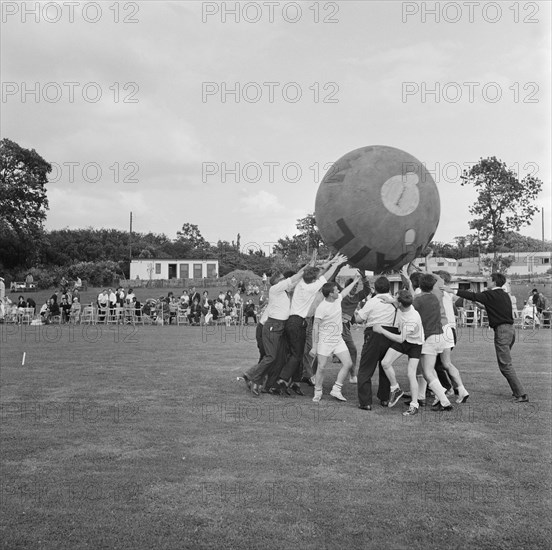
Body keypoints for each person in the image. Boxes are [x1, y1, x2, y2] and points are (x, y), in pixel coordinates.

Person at [444, 272, 528, 402]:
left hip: (502, 331)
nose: (487, 281)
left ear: (494, 282)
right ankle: (517, 390)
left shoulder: (490, 294)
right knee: (506, 363)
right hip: (510, 331)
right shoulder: (504, 295)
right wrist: (479, 304)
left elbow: (473, 295)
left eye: (489, 279)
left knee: (505, 365)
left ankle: (521, 394)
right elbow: (493, 308)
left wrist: (453, 290)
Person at [275, 254, 346, 395]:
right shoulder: (313, 286)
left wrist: (330, 262)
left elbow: (316, 271)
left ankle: (295, 382)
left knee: (298, 353)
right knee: (296, 355)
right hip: (298, 323)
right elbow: (325, 275)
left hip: (291, 322)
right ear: (314, 279)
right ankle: (281, 380)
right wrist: (336, 264)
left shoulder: (301, 282)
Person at [373, 289, 425, 416]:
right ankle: (395, 388)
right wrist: (389, 300)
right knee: (385, 363)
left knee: (411, 374)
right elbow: (398, 301)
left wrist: (381, 330)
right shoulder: (404, 304)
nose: (393, 300)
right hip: (405, 340)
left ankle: (414, 405)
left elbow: (400, 338)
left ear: (400, 304)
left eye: (395, 299)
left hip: (414, 344)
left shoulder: (411, 318)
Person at [310, 275, 361, 402]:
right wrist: (314, 346)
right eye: (336, 290)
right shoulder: (321, 308)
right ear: (330, 294)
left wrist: (354, 281)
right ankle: (318, 391)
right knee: (321, 367)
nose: (338, 291)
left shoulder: (338, 299)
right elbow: (315, 327)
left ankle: (336, 389)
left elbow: (344, 291)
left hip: (338, 340)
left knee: (348, 363)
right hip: (324, 341)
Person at [354, 276, 400, 411]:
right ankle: (385, 398)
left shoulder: (372, 301)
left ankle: (365, 402)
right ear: (389, 288)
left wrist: (355, 312)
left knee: (365, 369)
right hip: (391, 334)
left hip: (374, 333)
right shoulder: (395, 302)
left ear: (375, 288)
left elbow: (359, 319)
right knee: (386, 367)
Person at [340, 272, 371, 384]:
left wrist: (364, 277)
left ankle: (353, 375)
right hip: (335, 325)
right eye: (353, 286)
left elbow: (367, 290)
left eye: (356, 287)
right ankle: (311, 374)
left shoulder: (357, 297)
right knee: (323, 351)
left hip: (346, 327)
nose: (354, 288)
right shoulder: (341, 294)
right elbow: (333, 279)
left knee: (352, 350)